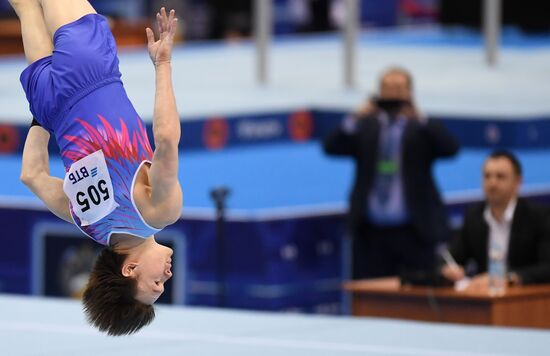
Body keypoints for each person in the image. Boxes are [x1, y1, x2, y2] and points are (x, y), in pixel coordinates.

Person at [11, 0, 182, 335]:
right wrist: (46, 117)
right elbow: (31, 175)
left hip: (90, 70)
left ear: (130, 269)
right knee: (25, 5)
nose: (166, 277)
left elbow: (166, 138)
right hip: (48, 104)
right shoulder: (84, 220)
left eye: (156, 285)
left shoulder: (159, 211)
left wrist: (163, 63)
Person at [323, 67, 460, 279]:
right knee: (370, 300)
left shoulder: (421, 128)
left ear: (410, 93)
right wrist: (355, 117)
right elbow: (330, 147)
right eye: (387, 88)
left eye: (399, 89)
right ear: (378, 92)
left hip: (413, 232)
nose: (393, 94)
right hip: (371, 233)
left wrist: (421, 117)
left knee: (418, 301)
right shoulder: (365, 126)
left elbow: (450, 148)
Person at [442, 150, 550, 288]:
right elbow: (453, 257)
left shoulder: (538, 216)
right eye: (487, 176)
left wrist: (510, 278)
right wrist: (448, 269)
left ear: (518, 182)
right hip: (485, 300)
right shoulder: (474, 216)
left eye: (500, 177)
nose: (492, 183)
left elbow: (547, 268)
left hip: (525, 299)